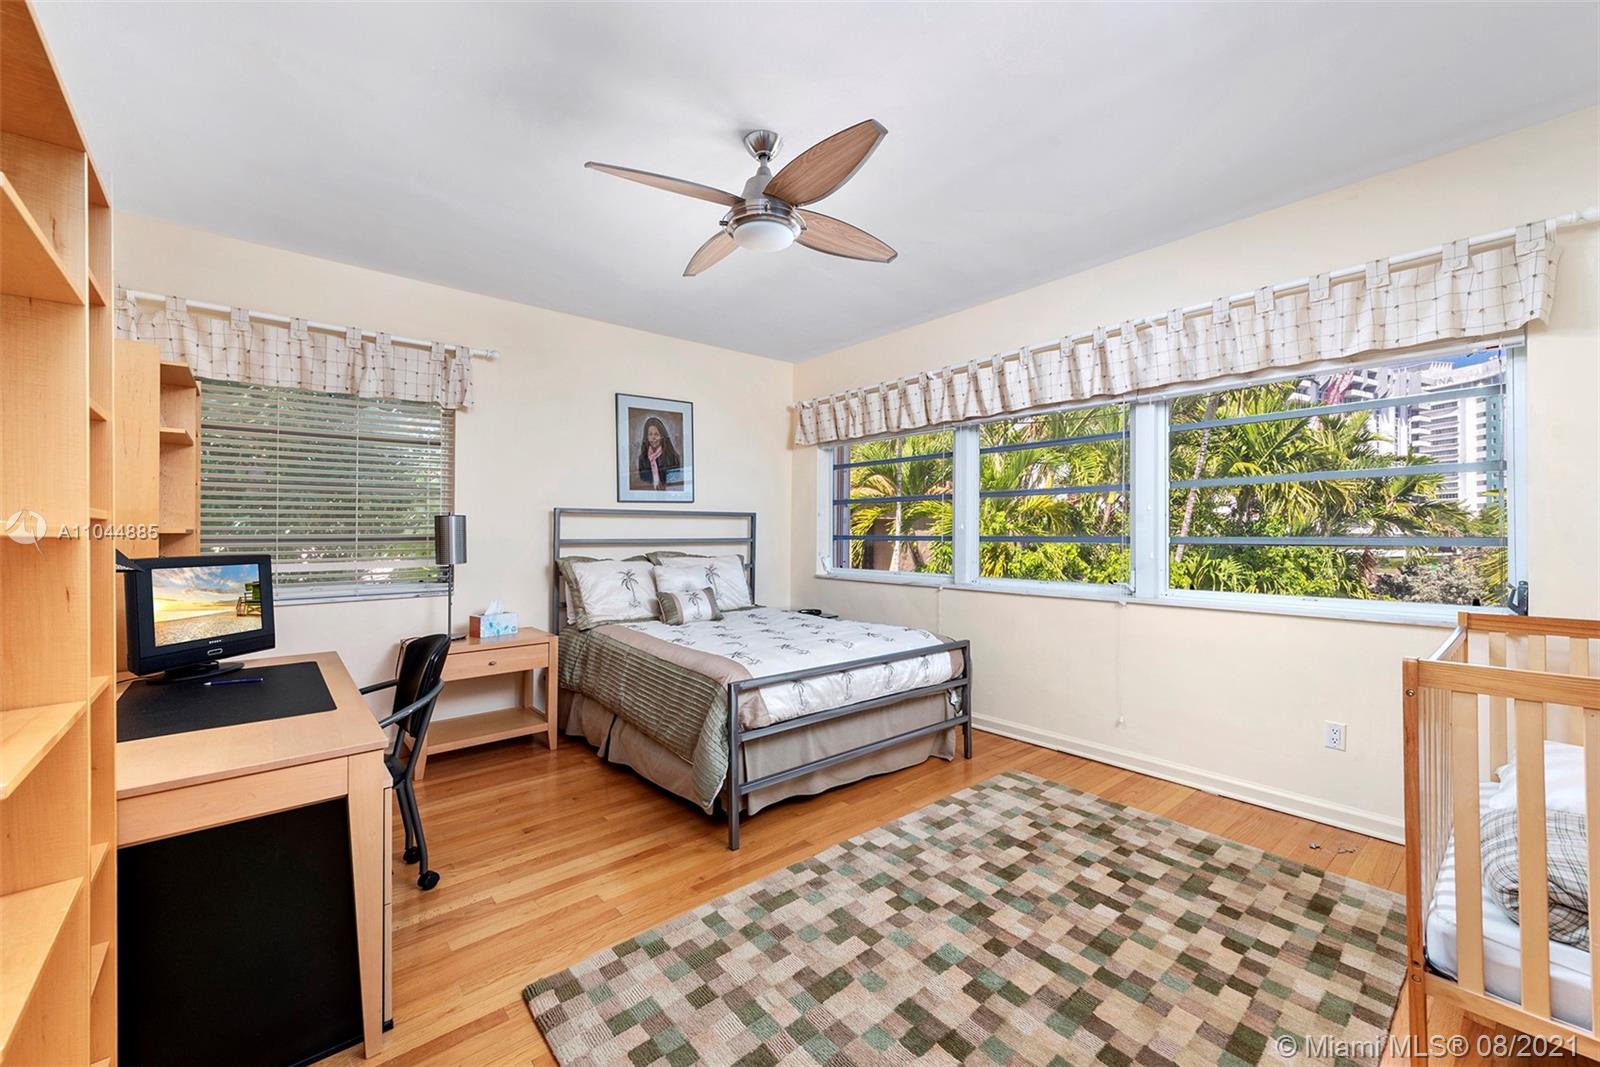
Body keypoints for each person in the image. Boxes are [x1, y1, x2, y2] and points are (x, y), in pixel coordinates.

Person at [636, 416, 682, 489]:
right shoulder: (642, 459)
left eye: (656, 434)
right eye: (650, 434)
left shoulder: (673, 457)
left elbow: (675, 484)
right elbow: (644, 483)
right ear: (646, 437)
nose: (653, 438)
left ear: (662, 436)